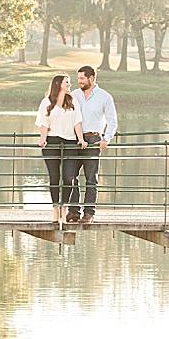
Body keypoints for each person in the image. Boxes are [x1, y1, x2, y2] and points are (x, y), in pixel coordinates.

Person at [67, 65, 118, 225]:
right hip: (75, 140)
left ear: (91, 78)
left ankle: (89, 213)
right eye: (78, 79)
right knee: (70, 177)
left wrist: (106, 139)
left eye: (82, 78)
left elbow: (112, 121)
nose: (79, 81)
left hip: (93, 140)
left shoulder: (105, 97)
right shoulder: (74, 95)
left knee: (91, 179)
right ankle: (73, 211)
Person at [35, 73, 85, 227]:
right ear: (58, 84)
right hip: (52, 142)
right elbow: (44, 123)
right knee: (54, 178)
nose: (70, 85)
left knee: (69, 178)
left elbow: (77, 122)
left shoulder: (73, 101)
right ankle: (56, 210)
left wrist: (81, 139)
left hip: (69, 142)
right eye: (67, 82)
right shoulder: (46, 102)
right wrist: (43, 139)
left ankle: (64, 209)